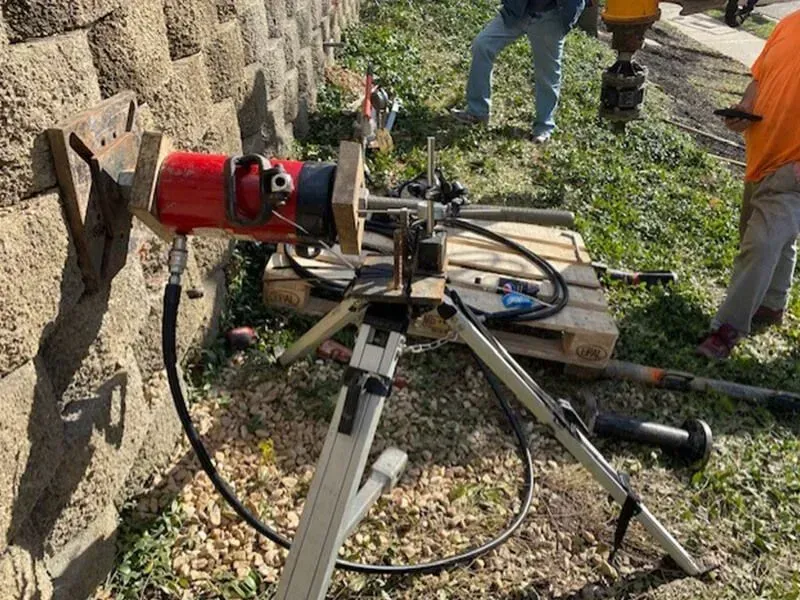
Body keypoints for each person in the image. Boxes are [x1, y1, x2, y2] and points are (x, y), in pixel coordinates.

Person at [697, 10, 800, 360]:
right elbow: (760, 76)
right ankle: (772, 304)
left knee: (761, 242)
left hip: (793, 169)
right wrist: (745, 106)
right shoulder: (788, 24)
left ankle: (728, 328)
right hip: (762, 155)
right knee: (767, 237)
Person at [451, 0, 587, 144]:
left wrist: (567, 20)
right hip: (516, 11)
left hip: (551, 18)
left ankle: (543, 128)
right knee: (483, 45)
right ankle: (477, 112)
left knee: (547, 75)